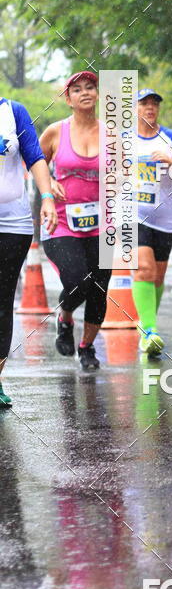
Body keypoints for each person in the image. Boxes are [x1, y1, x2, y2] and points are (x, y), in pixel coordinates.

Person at [39, 71, 112, 370]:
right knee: (77, 280)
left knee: (99, 288)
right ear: (68, 99)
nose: (85, 93)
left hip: (102, 225)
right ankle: (66, 317)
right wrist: (48, 183)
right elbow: (34, 165)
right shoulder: (55, 132)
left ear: (97, 94)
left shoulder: (112, 134)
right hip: (61, 223)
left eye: (90, 87)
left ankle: (87, 347)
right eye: (77, 89)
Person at [0, 95, 58, 406]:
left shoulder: (14, 112)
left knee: (2, 301)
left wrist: (47, 197)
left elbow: (35, 157)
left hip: (13, 223)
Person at [133, 88, 172, 356]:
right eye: (144, 103)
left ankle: (146, 325)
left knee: (157, 276)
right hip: (133, 215)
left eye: (154, 104)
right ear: (135, 108)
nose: (150, 108)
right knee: (144, 269)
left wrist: (171, 161)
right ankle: (149, 331)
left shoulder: (171, 138)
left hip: (165, 218)